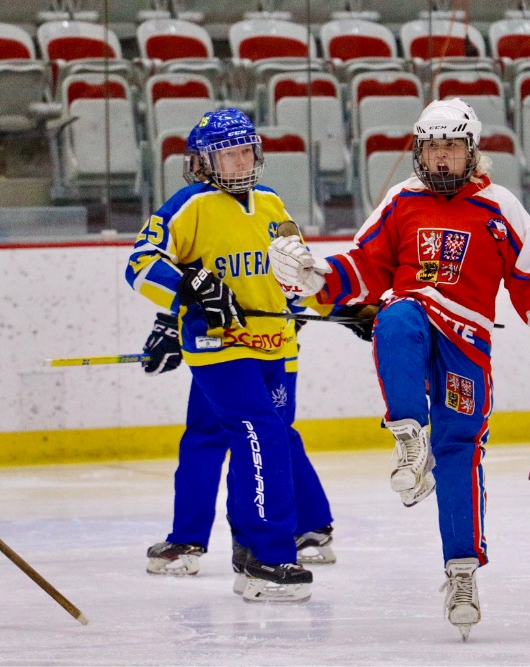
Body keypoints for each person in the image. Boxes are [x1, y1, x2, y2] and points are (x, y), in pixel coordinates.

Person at [268, 99, 530, 638]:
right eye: (432, 149)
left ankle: (462, 571)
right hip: (417, 317)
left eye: (452, 148)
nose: (441, 159)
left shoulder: (500, 207)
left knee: (461, 453)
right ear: (419, 152)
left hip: (469, 344)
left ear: (472, 152)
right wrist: (316, 273)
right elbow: (363, 265)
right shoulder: (402, 202)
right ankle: (407, 436)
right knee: (396, 316)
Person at [126, 108, 315, 603]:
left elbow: (299, 274)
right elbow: (140, 265)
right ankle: (266, 557)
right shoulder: (190, 205)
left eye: (246, 151)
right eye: (228, 154)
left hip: (274, 346)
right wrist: (189, 288)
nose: (240, 162)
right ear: (205, 162)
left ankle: (217, 542)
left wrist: (348, 305)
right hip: (219, 347)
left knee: (213, 434)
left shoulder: (272, 204)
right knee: (262, 433)